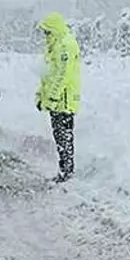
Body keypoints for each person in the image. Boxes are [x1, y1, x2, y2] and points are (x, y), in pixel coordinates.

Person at [35, 12, 81, 182]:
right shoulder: (55, 45)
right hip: (57, 101)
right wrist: (41, 96)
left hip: (64, 101)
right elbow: (47, 75)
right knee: (60, 136)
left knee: (64, 136)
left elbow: (62, 75)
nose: (45, 36)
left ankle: (67, 172)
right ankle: (64, 170)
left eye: (47, 32)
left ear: (54, 29)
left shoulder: (65, 46)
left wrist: (53, 97)